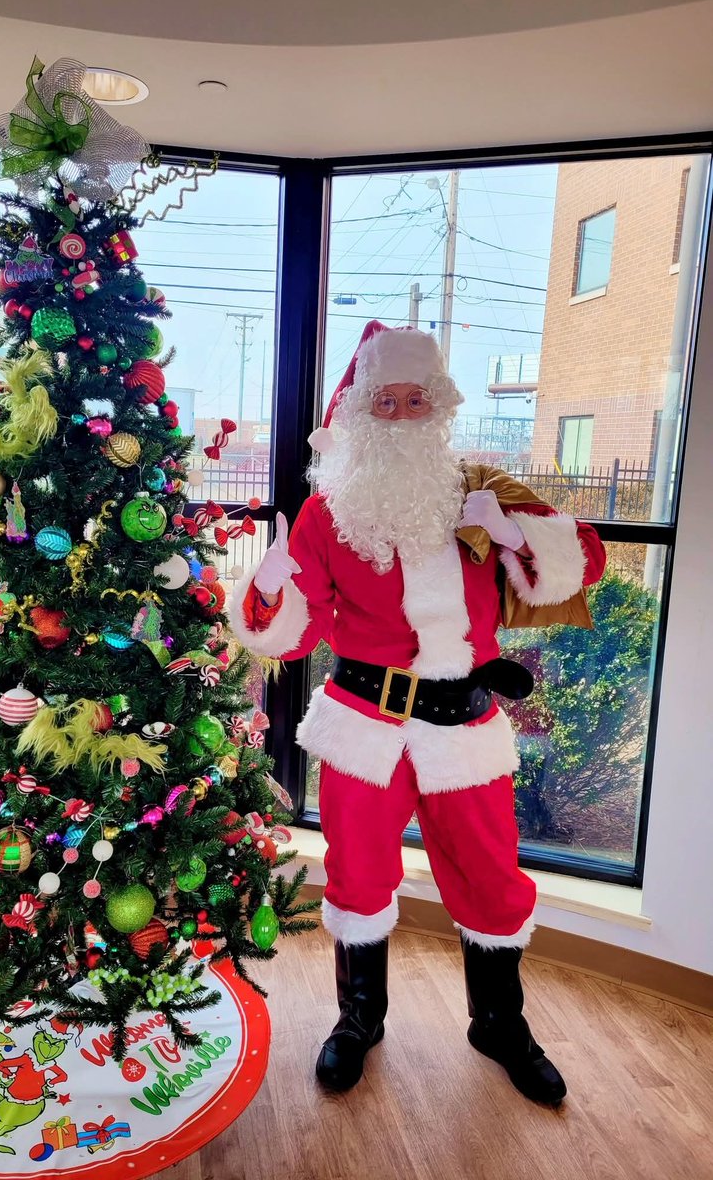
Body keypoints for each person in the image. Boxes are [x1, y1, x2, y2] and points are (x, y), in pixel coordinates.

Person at [227, 320, 605, 1105]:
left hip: (463, 728)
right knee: (357, 874)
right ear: (361, 413)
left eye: (414, 399)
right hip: (365, 726)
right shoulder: (328, 514)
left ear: (436, 408)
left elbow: (580, 562)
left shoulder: (478, 489)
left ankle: (497, 1022)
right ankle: (358, 1019)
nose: (400, 414)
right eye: (385, 401)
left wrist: (515, 536)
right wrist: (265, 592)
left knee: (492, 878)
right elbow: (293, 629)